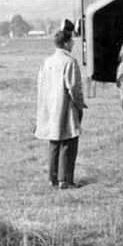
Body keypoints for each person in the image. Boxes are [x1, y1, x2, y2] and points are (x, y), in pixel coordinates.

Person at [35, 21, 87, 189]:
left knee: (54, 143)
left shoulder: (47, 61)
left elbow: (40, 85)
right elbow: (73, 88)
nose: (72, 44)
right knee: (69, 143)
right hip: (66, 106)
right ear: (66, 43)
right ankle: (66, 180)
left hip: (49, 108)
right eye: (71, 42)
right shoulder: (70, 62)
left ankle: (53, 178)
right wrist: (80, 105)